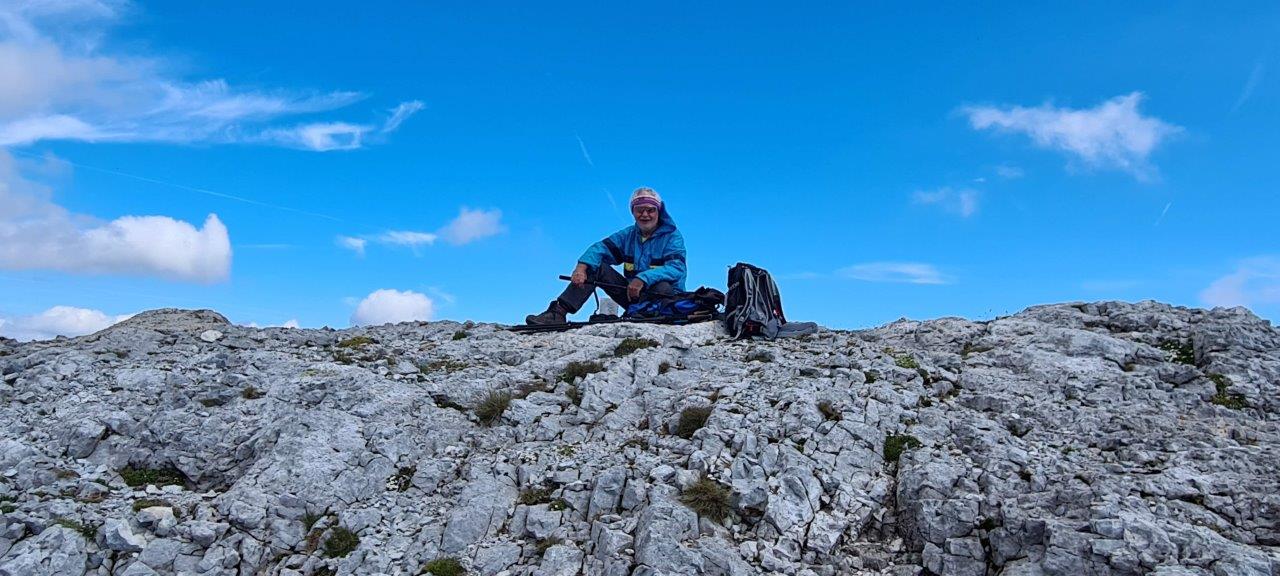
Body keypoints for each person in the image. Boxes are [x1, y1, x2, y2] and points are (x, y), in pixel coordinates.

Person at [525, 187, 687, 325]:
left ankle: (651, 316)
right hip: (633, 296)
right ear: (633, 212)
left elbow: (676, 268)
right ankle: (558, 313)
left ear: (659, 211)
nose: (645, 215)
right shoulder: (628, 235)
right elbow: (599, 249)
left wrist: (642, 279)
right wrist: (580, 268)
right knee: (595, 266)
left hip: (665, 299)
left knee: (663, 286)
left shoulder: (672, 237)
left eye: (650, 210)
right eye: (640, 210)